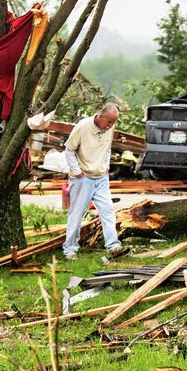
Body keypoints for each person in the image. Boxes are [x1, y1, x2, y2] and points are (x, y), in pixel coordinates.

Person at [62, 104, 128, 260]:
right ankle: (70, 250)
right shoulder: (83, 127)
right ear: (100, 116)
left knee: (108, 211)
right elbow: (69, 150)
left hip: (101, 177)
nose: (111, 126)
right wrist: (77, 172)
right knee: (77, 214)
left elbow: (107, 147)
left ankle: (113, 246)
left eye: (114, 122)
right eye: (109, 122)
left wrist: (106, 167)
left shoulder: (109, 128)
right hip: (83, 177)